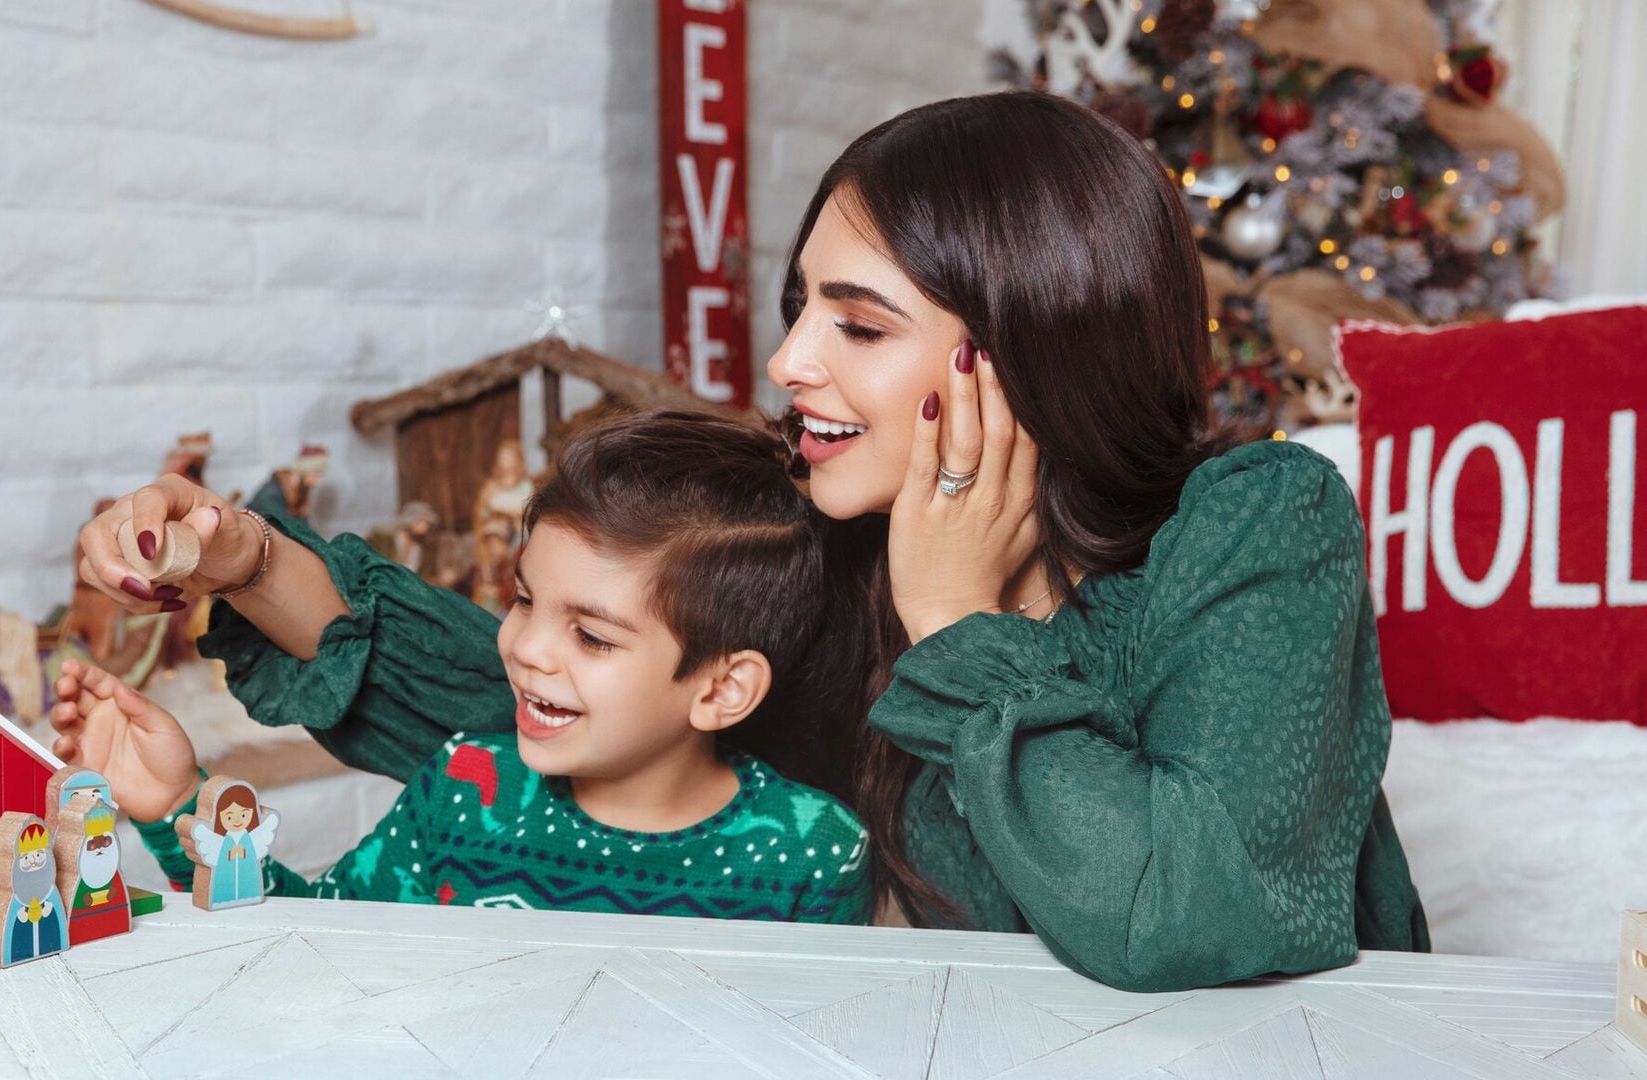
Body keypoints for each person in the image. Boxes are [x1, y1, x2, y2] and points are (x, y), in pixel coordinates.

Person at [75, 91, 1425, 992]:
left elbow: (1191, 919)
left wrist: (961, 625)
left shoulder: (1258, 525)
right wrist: (250, 561)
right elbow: (566, 701)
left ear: (1018, 348)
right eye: (799, 309)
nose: (786, 360)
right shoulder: (835, 546)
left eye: (857, 322)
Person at [57, 413, 872, 923]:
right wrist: (174, 803)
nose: (524, 647)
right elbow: (314, 941)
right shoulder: (466, 787)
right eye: (523, 600)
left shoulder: (812, 856)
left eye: (592, 636)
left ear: (721, 688)